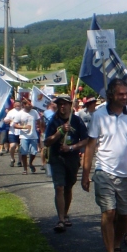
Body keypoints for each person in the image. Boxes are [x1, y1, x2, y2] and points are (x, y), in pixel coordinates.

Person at [82, 78, 127, 252]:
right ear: (110, 95)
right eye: (120, 94)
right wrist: (86, 173)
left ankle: (117, 243)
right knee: (109, 212)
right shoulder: (99, 115)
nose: (125, 97)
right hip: (104, 171)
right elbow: (91, 146)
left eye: (126, 93)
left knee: (125, 214)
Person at [44, 94, 88, 233]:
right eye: (60, 104)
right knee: (59, 188)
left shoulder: (76, 120)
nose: (62, 106)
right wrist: (60, 132)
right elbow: (47, 142)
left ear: (70, 105)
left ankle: (65, 213)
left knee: (68, 187)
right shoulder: (53, 121)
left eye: (65, 103)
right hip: (57, 158)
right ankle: (61, 219)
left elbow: (86, 140)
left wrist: (72, 147)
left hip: (72, 158)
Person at [12, 98, 40, 174]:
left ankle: (30, 163)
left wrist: (39, 126)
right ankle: (25, 169)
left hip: (33, 136)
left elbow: (39, 120)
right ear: (24, 105)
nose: (30, 106)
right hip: (24, 136)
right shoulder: (20, 114)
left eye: (30, 104)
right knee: (24, 153)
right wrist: (23, 127)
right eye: (28, 104)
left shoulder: (34, 112)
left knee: (34, 153)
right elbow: (14, 125)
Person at [3, 100, 21, 167]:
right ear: (14, 105)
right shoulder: (11, 112)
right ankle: (12, 158)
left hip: (21, 132)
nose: (17, 106)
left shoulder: (23, 112)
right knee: (12, 146)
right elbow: (5, 120)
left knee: (20, 147)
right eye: (16, 105)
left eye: (19, 105)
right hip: (12, 131)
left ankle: (19, 161)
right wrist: (9, 120)